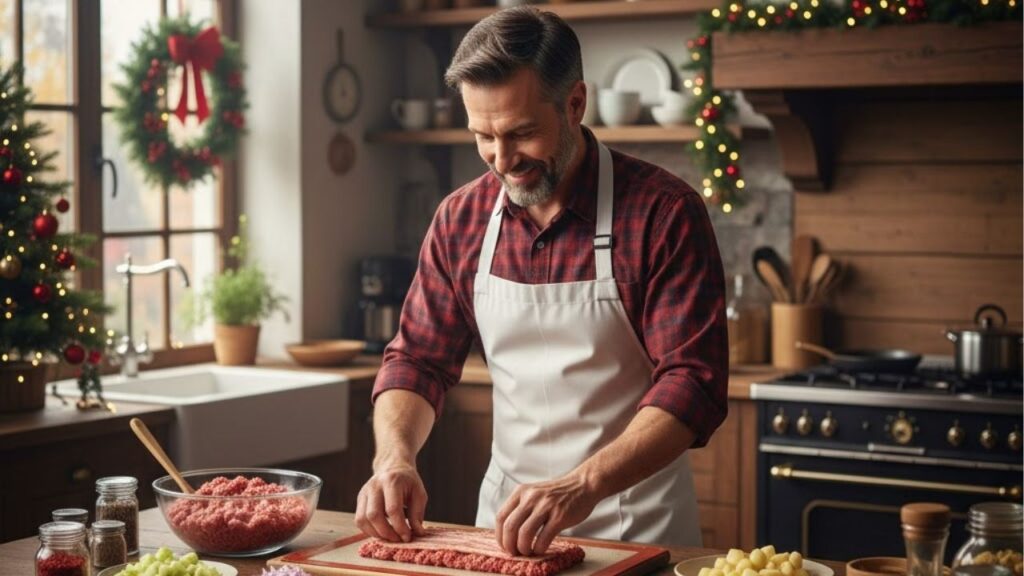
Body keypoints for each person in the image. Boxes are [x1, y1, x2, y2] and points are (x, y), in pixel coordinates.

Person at [355, 6, 728, 557]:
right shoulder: (460, 219)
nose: (502, 161)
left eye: (521, 133)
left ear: (575, 103)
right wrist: (394, 458)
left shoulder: (663, 213)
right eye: (482, 136)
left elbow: (693, 382)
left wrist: (583, 485)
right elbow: (416, 361)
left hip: (636, 530)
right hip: (504, 532)